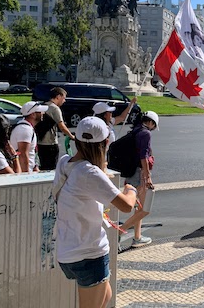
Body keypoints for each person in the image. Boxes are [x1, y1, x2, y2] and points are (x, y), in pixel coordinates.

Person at [53, 116, 137, 308]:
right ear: (106, 143)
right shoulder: (90, 173)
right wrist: (131, 190)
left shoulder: (64, 163)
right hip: (88, 254)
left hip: (68, 251)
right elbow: (126, 206)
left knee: (105, 296)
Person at [119, 111, 159, 248]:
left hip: (131, 172)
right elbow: (144, 156)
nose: (152, 129)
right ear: (151, 123)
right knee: (144, 209)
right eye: (154, 126)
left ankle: (137, 237)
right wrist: (147, 176)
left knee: (139, 208)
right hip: (139, 173)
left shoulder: (136, 130)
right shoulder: (145, 133)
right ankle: (118, 233)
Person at [37, 87, 75, 170]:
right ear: (58, 96)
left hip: (40, 142)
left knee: (43, 166)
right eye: (64, 98)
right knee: (51, 168)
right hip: (50, 143)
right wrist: (71, 136)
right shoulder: (54, 108)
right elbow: (62, 126)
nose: (64, 101)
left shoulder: (43, 105)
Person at [10, 101, 48, 173]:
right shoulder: (25, 129)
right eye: (40, 111)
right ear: (33, 114)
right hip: (24, 173)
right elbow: (23, 155)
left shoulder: (27, 128)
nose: (43, 113)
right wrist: (26, 176)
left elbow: (31, 153)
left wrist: (35, 169)